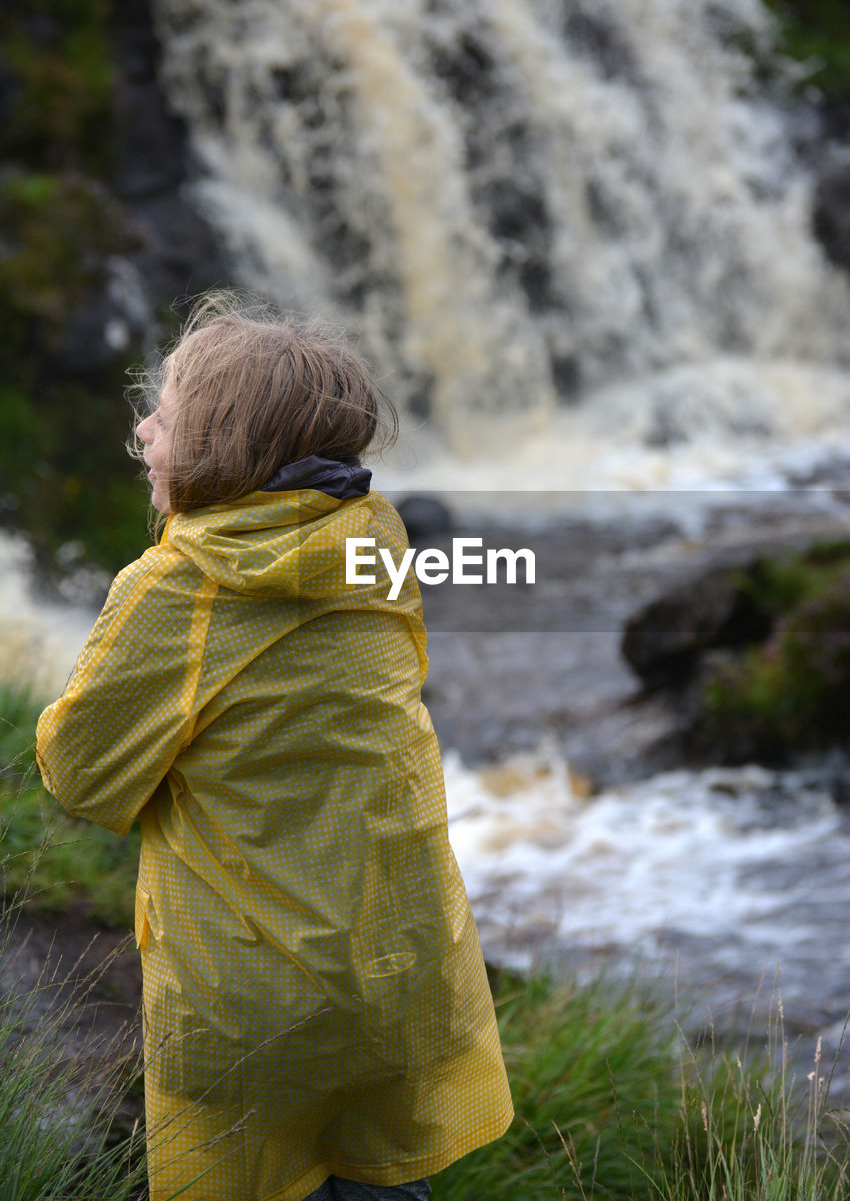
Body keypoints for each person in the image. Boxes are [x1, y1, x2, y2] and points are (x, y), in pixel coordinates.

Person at [35, 298, 513, 1201]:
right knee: (374, 1178)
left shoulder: (179, 588)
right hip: (398, 975)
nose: (143, 429)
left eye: (166, 416)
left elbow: (79, 775)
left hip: (245, 1000)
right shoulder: (376, 549)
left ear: (223, 449)